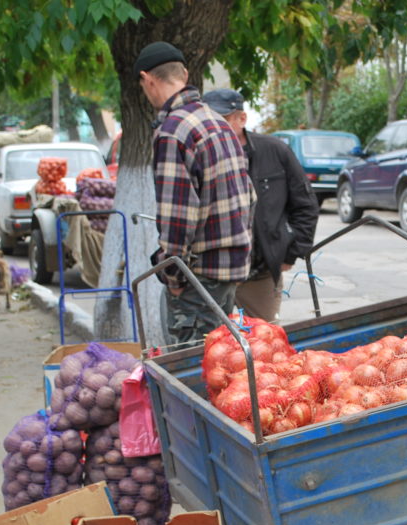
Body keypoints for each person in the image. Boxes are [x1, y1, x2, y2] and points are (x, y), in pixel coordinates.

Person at [134, 41, 255, 346]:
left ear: (148, 80)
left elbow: (178, 218)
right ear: (184, 73)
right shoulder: (219, 122)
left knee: (193, 372)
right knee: (221, 366)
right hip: (229, 268)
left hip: (198, 278)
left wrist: (174, 278)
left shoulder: (173, 130)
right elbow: (249, 197)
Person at [202, 88, 318, 322]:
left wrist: (290, 254)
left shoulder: (274, 151)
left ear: (242, 119)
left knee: (264, 344)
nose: (215, 128)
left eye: (222, 120)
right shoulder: (201, 153)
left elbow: (305, 205)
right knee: (211, 346)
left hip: (259, 273)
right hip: (212, 273)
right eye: (209, 121)